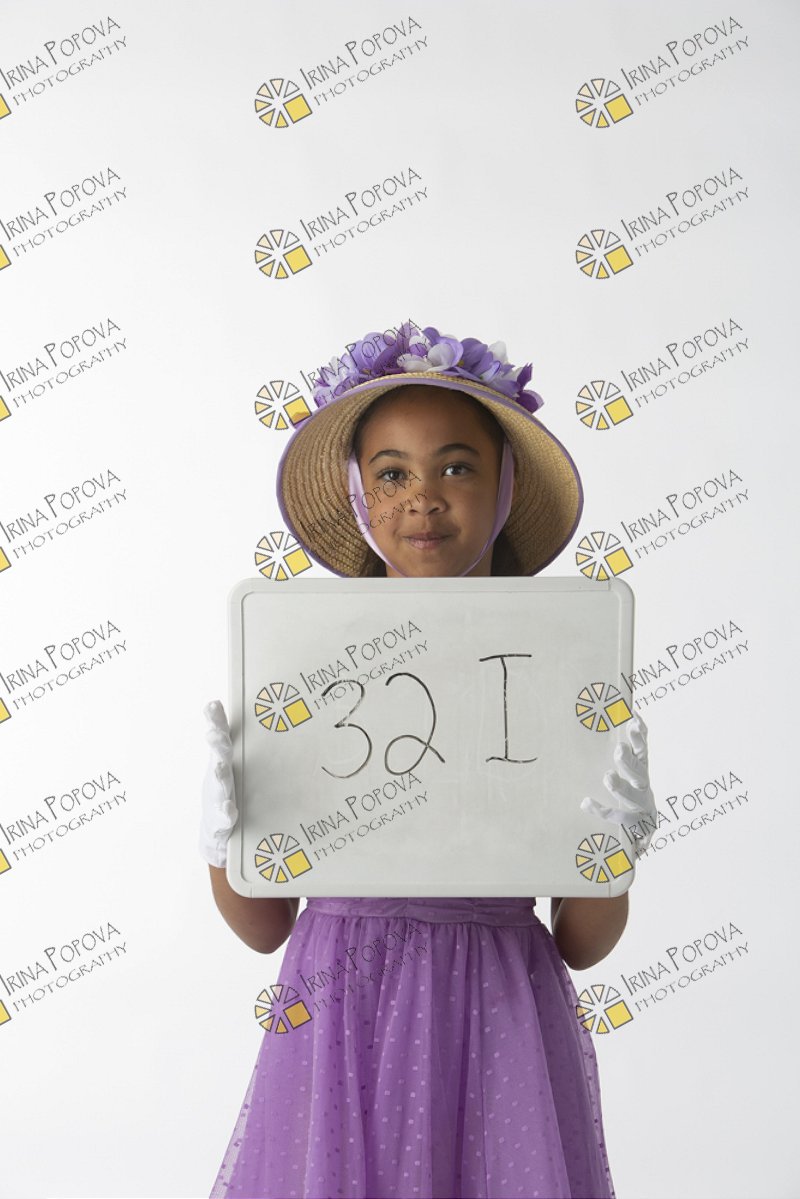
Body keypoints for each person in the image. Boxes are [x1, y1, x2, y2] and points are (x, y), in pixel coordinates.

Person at [201, 322, 657, 1199]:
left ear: (505, 484)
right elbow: (263, 926)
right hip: (339, 998)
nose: (422, 499)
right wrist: (227, 840)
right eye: (392, 474)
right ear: (359, 493)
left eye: (456, 467)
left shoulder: (561, 657)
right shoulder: (305, 658)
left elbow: (583, 942)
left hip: (499, 1000)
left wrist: (613, 852)